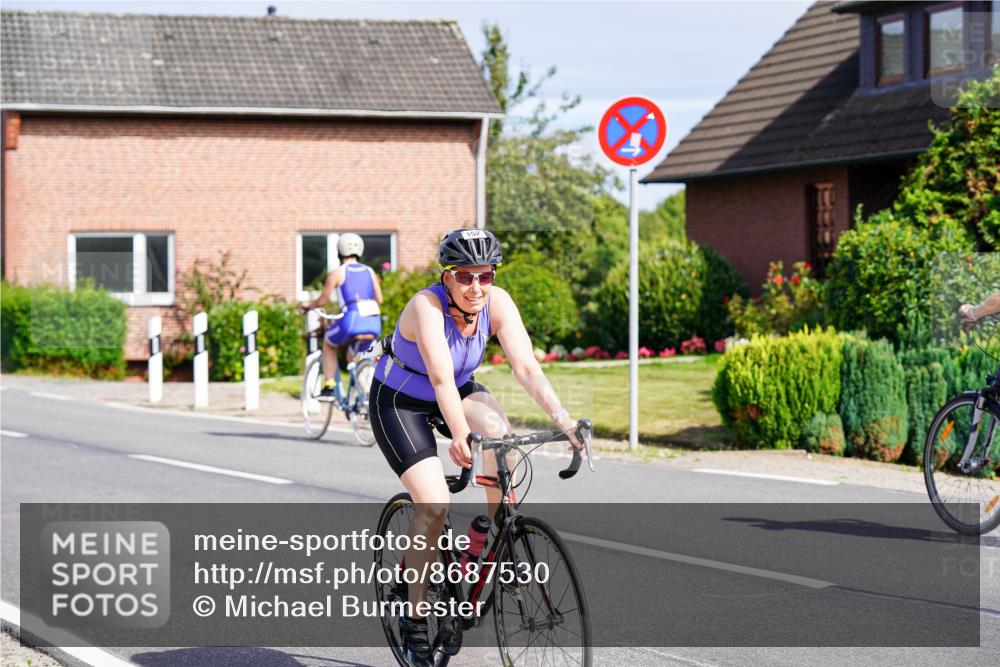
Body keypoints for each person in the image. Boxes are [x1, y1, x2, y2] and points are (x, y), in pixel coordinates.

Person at [368, 228, 582, 666]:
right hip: (401, 402)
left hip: (459, 391)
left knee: (502, 439)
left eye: (485, 277)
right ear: (446, 277)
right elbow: (441, 380)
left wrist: (562, 419)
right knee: (434, 505)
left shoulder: (496, 302)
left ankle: (486, 537)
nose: (476, 287)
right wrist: (460, 436)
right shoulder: (426, 307)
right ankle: (413, 615)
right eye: (465, 277)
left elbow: (525, 365)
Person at [301, 233, 383, 398]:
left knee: (329, 344)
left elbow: (322, 301)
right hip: (374, 323)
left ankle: (329, 387)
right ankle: (366, 398)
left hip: (351, 320)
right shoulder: (370, 271)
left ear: (339, 252)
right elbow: (380, 299)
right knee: (357, 356)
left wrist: (307, 306)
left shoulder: (337, 273)